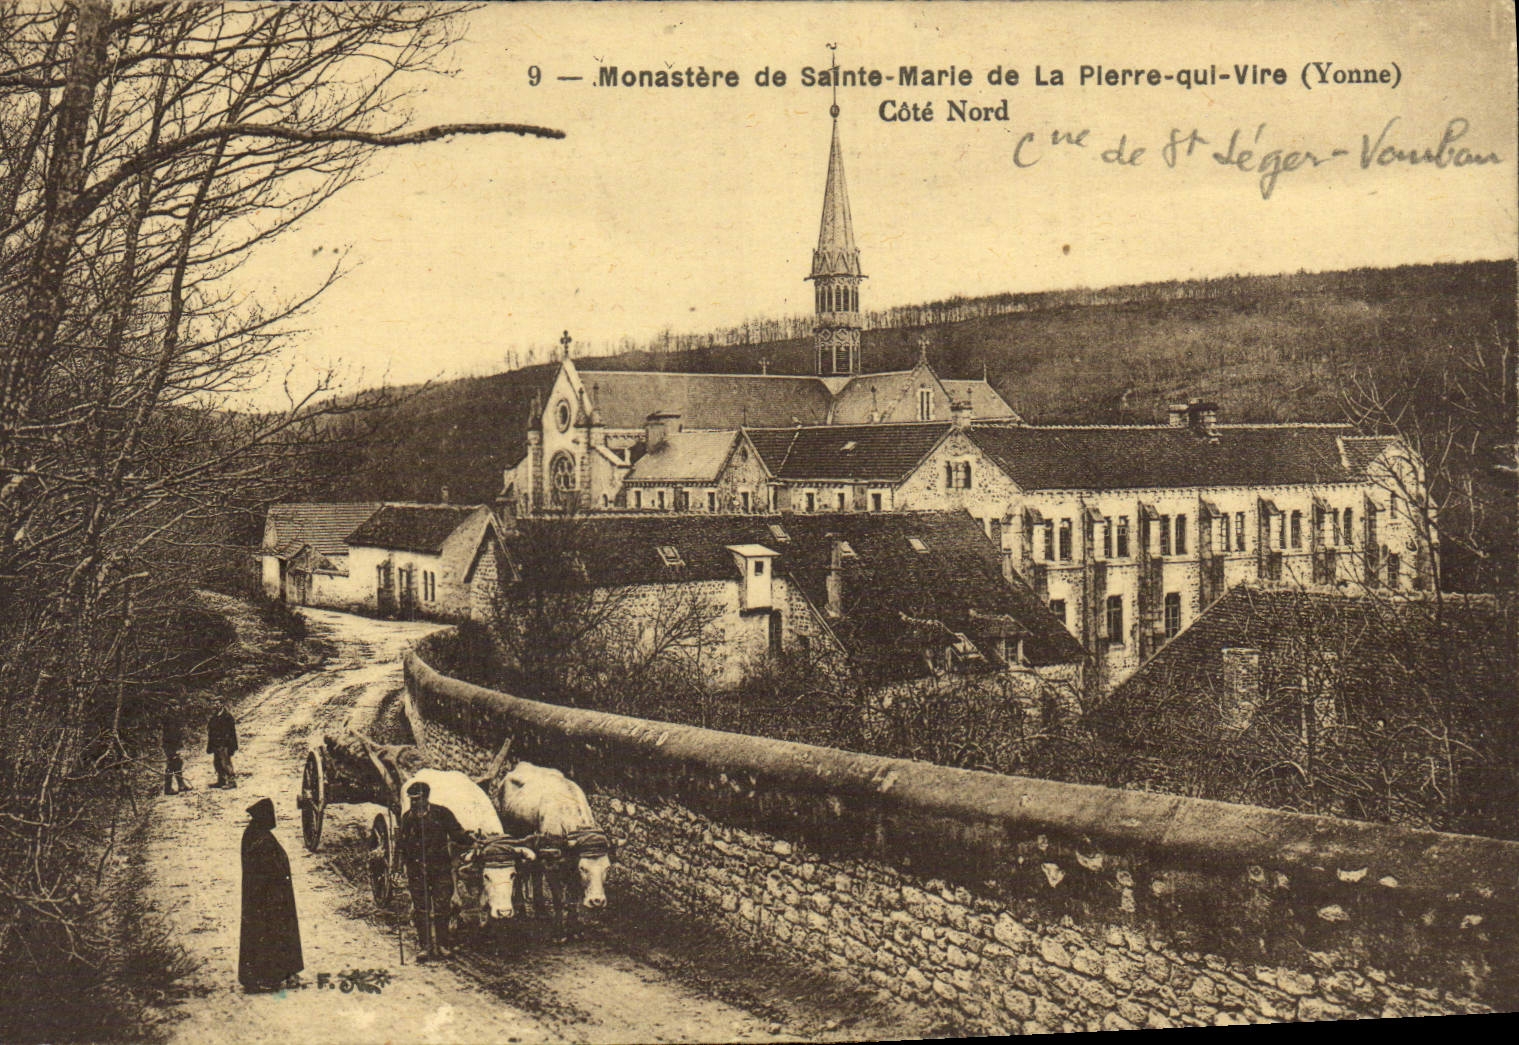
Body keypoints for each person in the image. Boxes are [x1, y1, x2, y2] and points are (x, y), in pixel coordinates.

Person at [395, 780, 473, 961]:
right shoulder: (407, 819)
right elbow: (401, 845)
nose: (414, 803)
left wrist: (472, 840)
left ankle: (442, 945)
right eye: (411, 800)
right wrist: (398, 868)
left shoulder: (442, 813)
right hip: (416, 871)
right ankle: (424, 947)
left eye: (418, 799)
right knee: (421, 909)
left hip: (440, 870)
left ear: (426, 798)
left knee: (442, 907)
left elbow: (457, 833)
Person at [239, 798, 303, 992]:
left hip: (267, 896)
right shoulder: (260, 839)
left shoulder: (254, 834)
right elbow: (267, 868)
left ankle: (274, 975)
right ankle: (267, 977)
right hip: (266, 898)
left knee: (271, 934)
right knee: (268, 935)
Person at [207, 701, 238, 788]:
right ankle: (221, 781)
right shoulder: (215, 716)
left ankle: (231, 782)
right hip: (216, 743)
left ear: (222, 704)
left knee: (226, 762)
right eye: (214, 704)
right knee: (217, 762)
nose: (215, 705)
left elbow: (230, 733)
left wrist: (227, 744)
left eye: (217, 703)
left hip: (225, 744)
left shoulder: (227, 717)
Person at [161, 713, 191, 795]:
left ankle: (181, 785)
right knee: (171, 765)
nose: (177, 708)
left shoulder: (173, 717)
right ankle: (168, 788)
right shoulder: (170, 718)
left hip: (171, 745)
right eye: (175, 706)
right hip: (170, 745)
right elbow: (172, 735)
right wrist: (176, 748)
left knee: (177, 763)